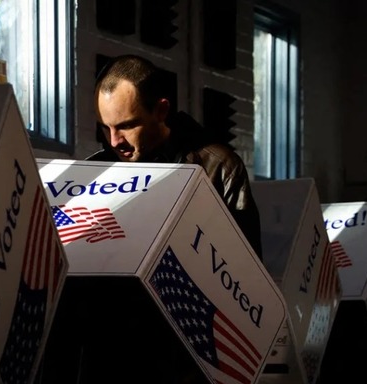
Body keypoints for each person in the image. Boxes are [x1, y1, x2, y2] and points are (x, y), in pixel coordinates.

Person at [90, 54, 263, 260]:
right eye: (104, 127)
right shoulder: (96, 170)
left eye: (126, 126)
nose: (114, 141)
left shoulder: (220, 167)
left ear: (161, 110)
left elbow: (247, 267)